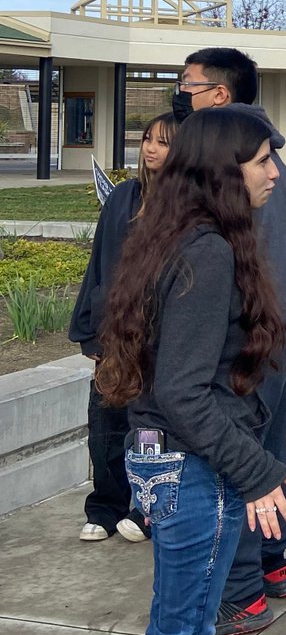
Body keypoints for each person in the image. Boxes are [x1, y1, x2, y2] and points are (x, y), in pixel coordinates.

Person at [96, 107, 286, 635]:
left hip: (167, 461)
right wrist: (257, 470)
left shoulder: (177, 235)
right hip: (190, 471)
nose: (275, 172)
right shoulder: (207, 253)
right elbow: (184, 392)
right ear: (224, 171)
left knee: (171, 631)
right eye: (263, 160)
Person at [174, 47, 286, 635]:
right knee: (268, 438)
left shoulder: (234, 157)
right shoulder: (264, 148)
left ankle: (240, 593)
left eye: (188, 86)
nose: (180, 94)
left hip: (263, 321)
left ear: (217, 95)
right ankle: (272, 561)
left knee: (234, 450)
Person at [72, 111, 178, 544]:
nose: (150, 148)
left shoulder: (187, 207)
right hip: (114, 334)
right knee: (105, 428)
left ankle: (145, 508)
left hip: (159, 339)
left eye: (163, 142)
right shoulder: (122, 198)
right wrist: (89, 328)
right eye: (147, 139)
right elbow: (98, 263)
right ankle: (105, 505)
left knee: (149, 430)